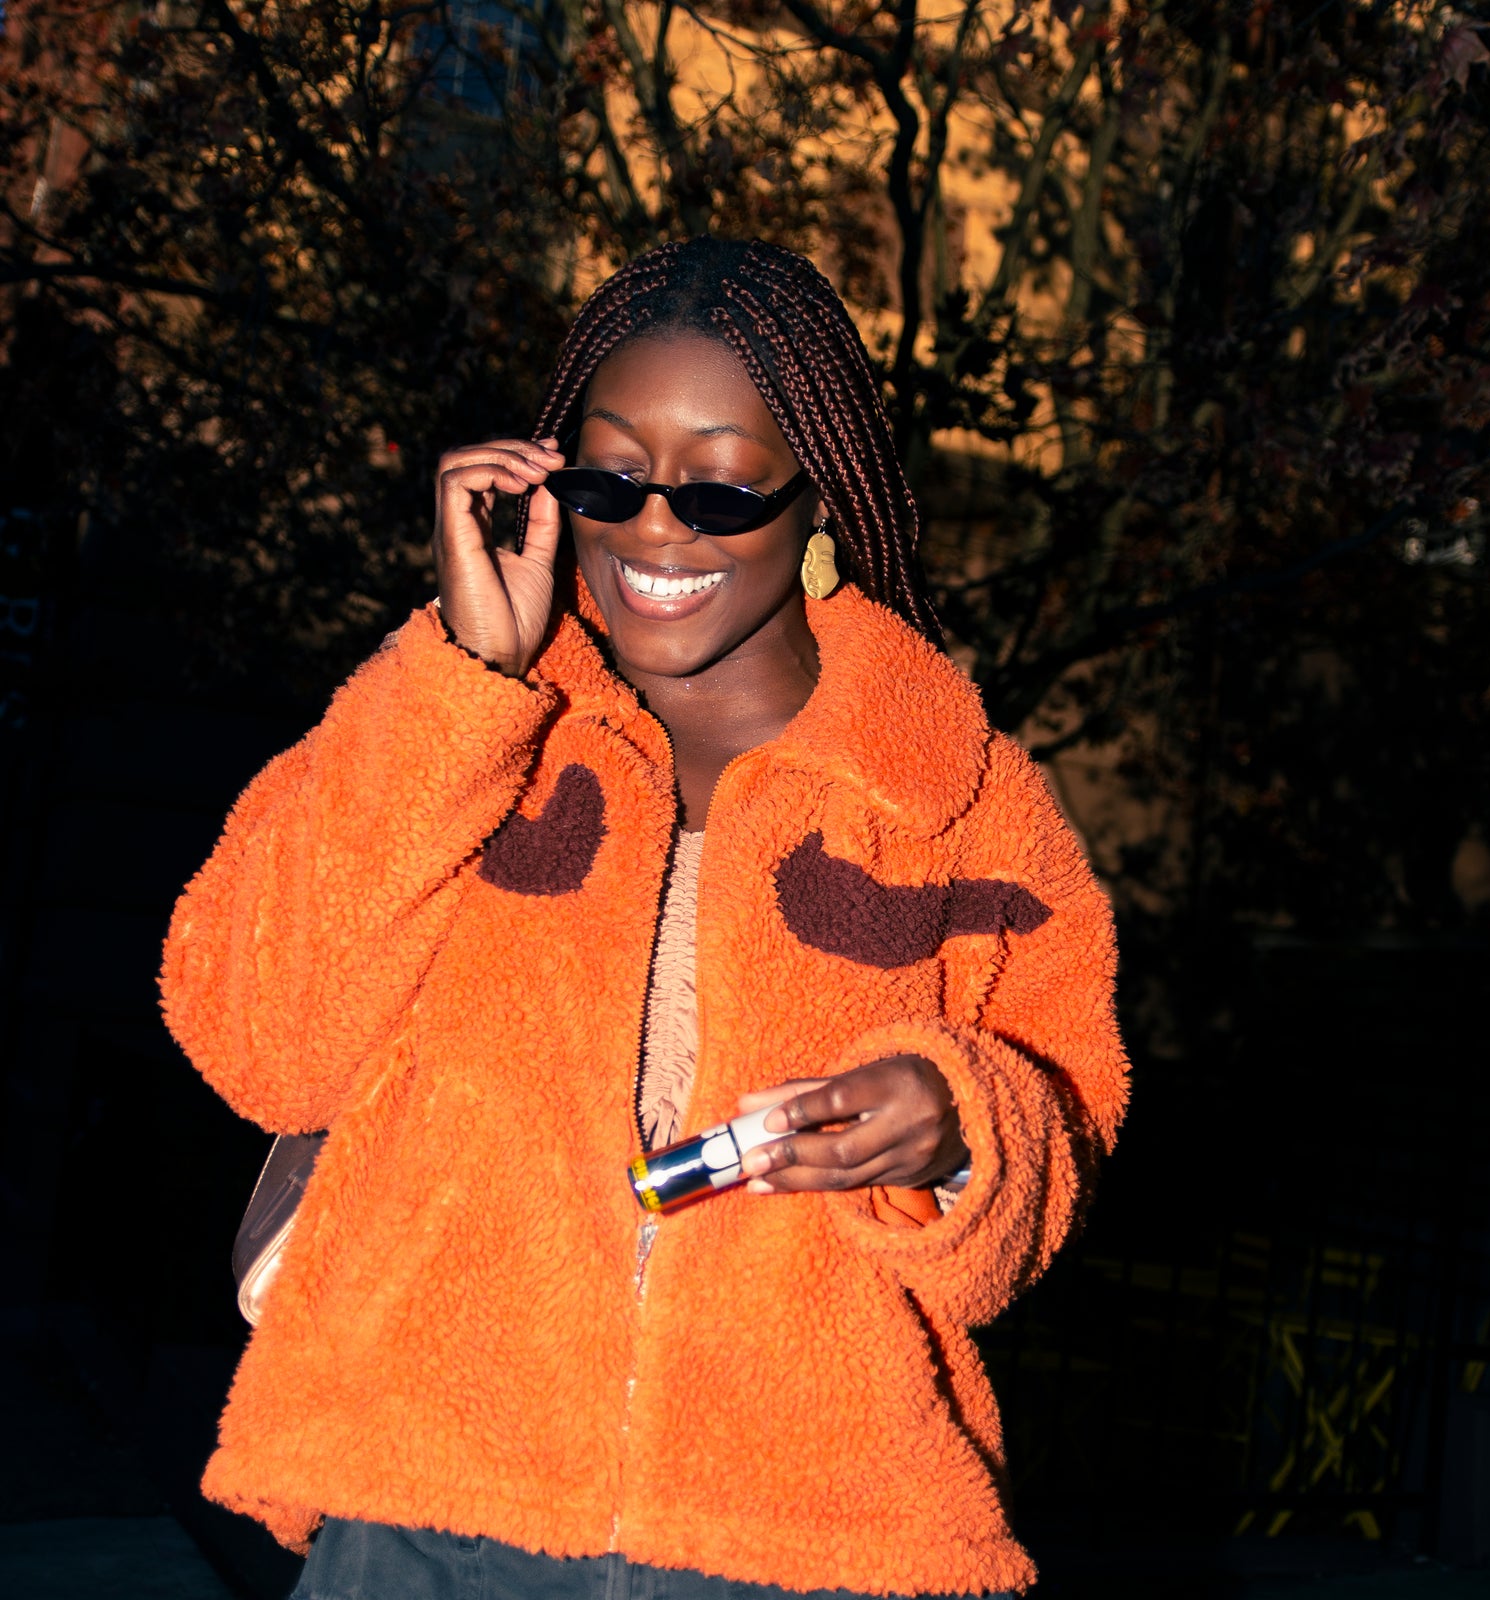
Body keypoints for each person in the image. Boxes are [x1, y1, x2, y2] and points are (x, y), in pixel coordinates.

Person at [160, 236, 1130, 1600]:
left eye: (721, 489)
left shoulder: (952, 795)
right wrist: (461, 680)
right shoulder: (461, 718)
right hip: (429, 1508)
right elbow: (258, 1037)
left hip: (804, 1542)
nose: (656, 531)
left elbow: (1061, 1127)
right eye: (612, 476)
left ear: (820, 506)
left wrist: (962, 1116)